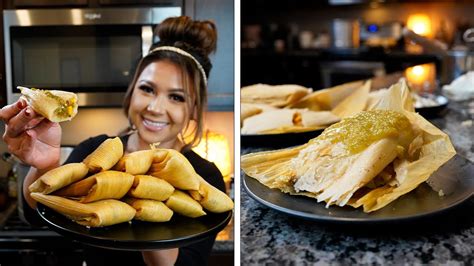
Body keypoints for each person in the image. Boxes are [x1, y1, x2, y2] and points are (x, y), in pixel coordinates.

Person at [0, 16, 226, 266]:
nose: (154, 107)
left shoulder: (205, 178)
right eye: (147, 89)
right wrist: (43, 167)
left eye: (176, 97)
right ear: (132, 92)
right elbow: (40, 213)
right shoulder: (95, 151)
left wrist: (151, 201)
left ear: (194, 109)